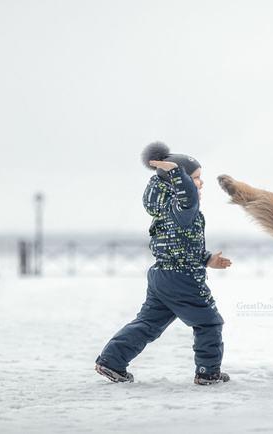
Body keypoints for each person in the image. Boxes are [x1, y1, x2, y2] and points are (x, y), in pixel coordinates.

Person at [95, 142, 232, 385]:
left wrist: (208, 259)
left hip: (162, 276)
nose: (201, 183)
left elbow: (182, 246)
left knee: (148, 323)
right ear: (177, 183)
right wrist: (177, 173)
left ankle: (111, 361)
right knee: (209, 323)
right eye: (197, 178)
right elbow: (188, 198)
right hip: (183, 279)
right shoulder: (182, 208)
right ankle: (207, 372)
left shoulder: (166, 211)